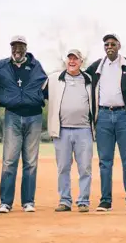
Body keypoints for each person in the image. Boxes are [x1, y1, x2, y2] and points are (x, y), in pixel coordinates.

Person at [0, 35, 48, 214]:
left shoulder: (36, 66)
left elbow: (45, 85)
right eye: (14, 47)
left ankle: (28, 201)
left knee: (30, 162)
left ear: (26, 48)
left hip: (34, 116)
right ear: (10, 48)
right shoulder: (2, 66)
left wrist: (35, 98)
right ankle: (5, 202)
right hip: (12, 115)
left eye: (20, 46)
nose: (17, 50)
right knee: (9, 161)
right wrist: (2, 95)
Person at [85, 33, 126, 211]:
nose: (109, 47)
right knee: (105, 161)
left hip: (124, 116)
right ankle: (105, 200)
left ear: (119, 46)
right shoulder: (96, 66)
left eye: (112, 44)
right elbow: (82, 81)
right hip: (103, 117)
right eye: (106, 45)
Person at [43, 49, 94, 213]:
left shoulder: (89, 80)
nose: (72, 62)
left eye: (76, 59)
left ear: (81, 62)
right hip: (62, 130)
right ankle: (65, 200)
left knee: (85, 167)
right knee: (63, 167)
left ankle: (83, 201)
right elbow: (40, 93)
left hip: (84, 130)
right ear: (66, 61)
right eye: (70, 58)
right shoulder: (54, 78)